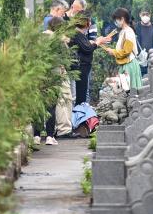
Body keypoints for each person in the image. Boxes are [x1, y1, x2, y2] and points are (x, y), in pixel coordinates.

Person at [35, 16, 67, 145]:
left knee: (38, 105)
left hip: (39, 74)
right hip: (53, 75)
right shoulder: (59, 39)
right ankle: (49, 136)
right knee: (51, 106)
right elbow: (65, 57)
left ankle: (36, 136)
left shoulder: (39, 37)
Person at [70, 11, 110, 105]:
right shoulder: (77, 34)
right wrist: (97, 42)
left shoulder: (80, 34)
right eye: (89, 21)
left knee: (82, 94)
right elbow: (87, 49)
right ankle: (80, 115)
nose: (91, 23)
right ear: (85, 22)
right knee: (80, 96)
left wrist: (97, 42)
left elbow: (86, 45)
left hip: (83, 67)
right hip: (81, 67)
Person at [102, 7, 143, 90]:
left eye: (116, 20)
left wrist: (113, 52)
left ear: (122, 19)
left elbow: (126, 51)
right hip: (125, 63)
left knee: (130, 91)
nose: (115, 22)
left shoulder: (128, 31)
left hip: (129, 64)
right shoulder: (123, 31)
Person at [134, 10, 153, 76]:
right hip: (140, 58)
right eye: (143, 15)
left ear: (150, 15)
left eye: (147, 14)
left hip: (152, 58)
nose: (145, 16)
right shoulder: (136, 28)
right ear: (140, 15)